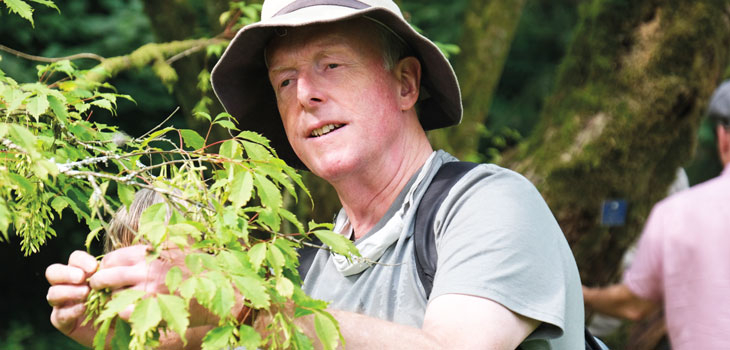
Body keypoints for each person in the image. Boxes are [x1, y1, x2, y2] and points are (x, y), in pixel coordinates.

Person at [46, 0, 585, 348]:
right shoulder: (308, 265)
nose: (306, 94)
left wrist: (247, 301)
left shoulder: (488, 205)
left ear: (406, 84)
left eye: (331, 65)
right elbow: (203, 335)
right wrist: (110, 324)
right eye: (284, 81)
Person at [582, 80, 730, 350]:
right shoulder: (585, 174)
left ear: (723, 138)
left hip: (630, 319)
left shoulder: (677, 199)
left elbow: (635, 303)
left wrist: (582, 296)